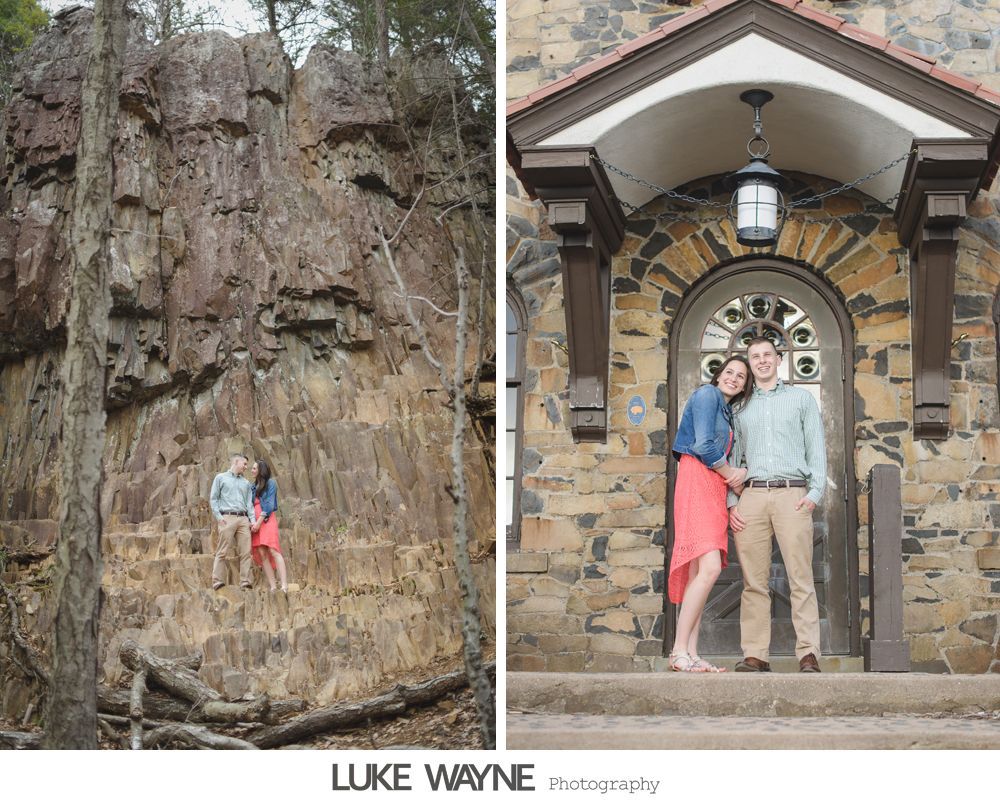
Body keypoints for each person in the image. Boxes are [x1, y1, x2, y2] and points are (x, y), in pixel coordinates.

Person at [728, 336, 827, 673]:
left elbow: (816, 448)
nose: (762, 360)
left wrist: (814, 494)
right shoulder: (740, 407)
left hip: (792, 495)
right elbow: (734, 457)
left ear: (778, 359)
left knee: (801, 578)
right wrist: (732, 503)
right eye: (755, 356)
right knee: (753, 582)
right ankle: (756, 654)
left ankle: (808, 653)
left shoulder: (801, 399)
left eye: (767, 354)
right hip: (751, 497)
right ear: (751, 363)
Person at [667, 356, 752, 672]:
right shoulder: (707, 394)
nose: (734, 378)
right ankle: (678, 649)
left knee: (698, 573)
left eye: (741, 376)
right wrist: (733, 476)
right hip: (698, 478)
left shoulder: (728, 413)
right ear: (718, 375)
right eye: (729, 372)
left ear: (744, 386)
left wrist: (734, 477)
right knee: (711, 567)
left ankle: (690, 652)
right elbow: (703, 445)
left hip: (713, 485)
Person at [209, 453, 257, 590]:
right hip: (227, 518)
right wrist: (219, 518)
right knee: (222, 551)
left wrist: (252, 520)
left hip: (243, 519)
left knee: (246, 552)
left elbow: (249, 504)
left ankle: (245, 581)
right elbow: (214, 499)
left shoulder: (246, 483)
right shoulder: (220, 478)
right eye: (244, 464)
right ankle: (217, 581)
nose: (246, 467)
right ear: (236, 461)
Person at [250, 459, 287, 593]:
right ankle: (273, 586)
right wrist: (252, 522)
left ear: (261, 470)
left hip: (266, 521)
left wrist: (258, 522)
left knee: (273, 550)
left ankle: (284, 585)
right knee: (262, 553)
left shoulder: (270, 483)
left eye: (254, 468)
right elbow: (249, 505)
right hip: (255, 523)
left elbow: (270, 505)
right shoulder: (252, 487)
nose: (252, 470)